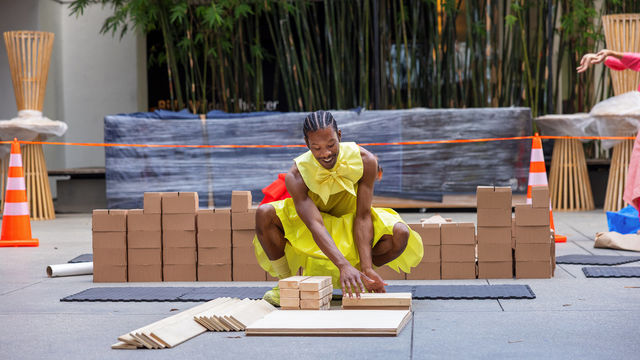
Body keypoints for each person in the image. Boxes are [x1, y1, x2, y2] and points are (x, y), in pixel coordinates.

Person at [253, 110, 423, 305]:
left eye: (331, 145)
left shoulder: (366, 161)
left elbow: (363, 216)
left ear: (339, 136)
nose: (325, 154)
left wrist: (367, 268)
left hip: (352, 224)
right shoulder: (297, 175)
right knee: (264, 213)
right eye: (316, 148)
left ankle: (359, 276)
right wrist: (342, 264)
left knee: (400, 233)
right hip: (315, 227)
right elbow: (314, 224)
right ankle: (286, 286)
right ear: (307, 144)